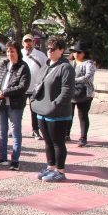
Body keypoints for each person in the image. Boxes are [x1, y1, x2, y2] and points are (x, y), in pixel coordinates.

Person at [31, 38, 75, 182]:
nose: (49, 51)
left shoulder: (65, 67)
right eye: (48, 48)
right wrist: (33, 101)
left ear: (61, 50)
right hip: (42, 111)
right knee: (48, 142)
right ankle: (50, 167)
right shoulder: (46, 65)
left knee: (58, 142)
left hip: (58, 113)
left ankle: (60, 171)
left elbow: (67, 91)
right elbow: (38, 85)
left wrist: (54, 105)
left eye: (53, 49)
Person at [0, 41, 31, 170]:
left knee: (16, 132)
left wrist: (5, 92)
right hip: (1, 104)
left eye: (12, 51)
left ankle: (15, 160)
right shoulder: (3, 64)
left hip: (15, 104)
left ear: (18, 52)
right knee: (2, 132)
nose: (9, 54)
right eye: (7, 51)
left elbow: (23, 86)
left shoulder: (23, 67)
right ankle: (2, 157)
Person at [67, 42, 96, 147]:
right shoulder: (70, 62)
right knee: (68, 115)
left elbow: (88, 76)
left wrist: (73, 80)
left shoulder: (89, 63)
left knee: (83, 116)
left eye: (79, 52)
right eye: (74, 51)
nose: (76, 54)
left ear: (84, 53)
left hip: (85, 94)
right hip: (71, 93)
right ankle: (66, 134)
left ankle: (83, 138)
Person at [21, 34, 47, 139]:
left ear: (33, 42)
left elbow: (46, 68)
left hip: (35, 88)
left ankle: (35, 130)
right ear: (23, 43)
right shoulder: (19, 53)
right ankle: (15, 128)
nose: (28, 43)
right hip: (21, 87)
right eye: (26, 41)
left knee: (35, 111)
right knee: (18, 109)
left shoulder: (41, 55)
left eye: (30, 41)